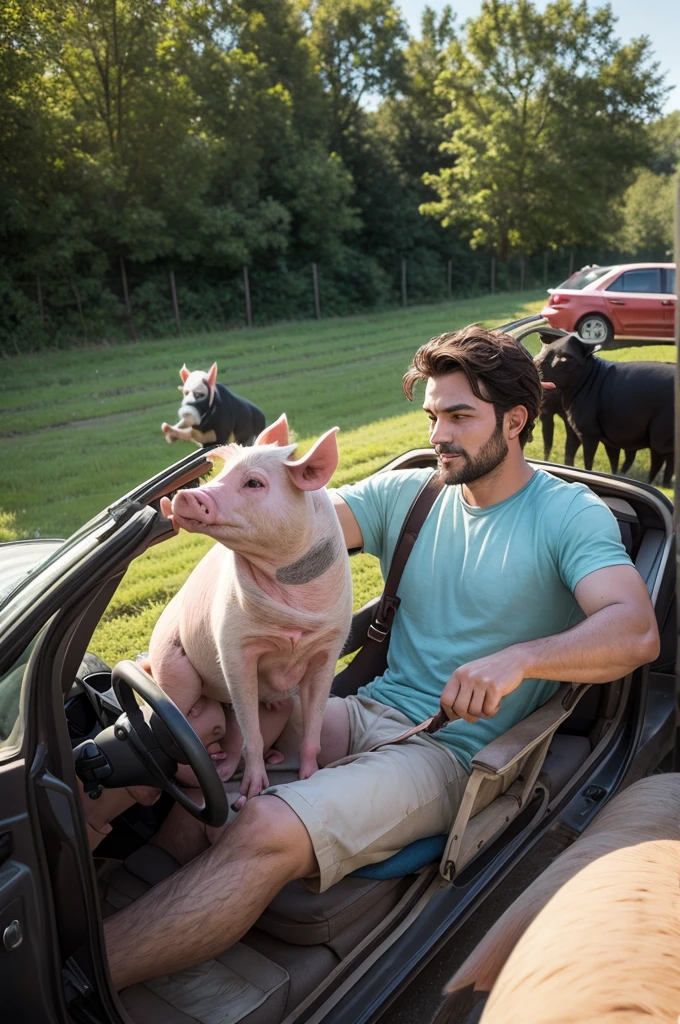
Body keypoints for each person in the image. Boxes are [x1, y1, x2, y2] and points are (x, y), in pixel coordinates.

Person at [102, 324, 660, 990]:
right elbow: (291, 524)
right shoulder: (414, 494)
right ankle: (130, 907)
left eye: (459, 416)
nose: (438, 435)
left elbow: (634, 631)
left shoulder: (569, 515)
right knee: (193, 764)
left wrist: (520, 660)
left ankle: (66, 983)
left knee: (266, 826)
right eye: (432, 416)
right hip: (363, 708)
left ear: (515, 420)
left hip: (451, 752)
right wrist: (218, 506)